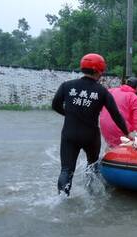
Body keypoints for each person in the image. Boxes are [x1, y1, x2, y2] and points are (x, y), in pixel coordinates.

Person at [52, 53, 131, 196]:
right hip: (91, 136)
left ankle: (62, 201)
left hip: (69, 134)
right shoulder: (102, 92)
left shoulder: (67, 86)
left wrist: (69, 115)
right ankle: (92, 195)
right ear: (99, 71)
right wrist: (127, 133)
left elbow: (55, 105)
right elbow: (115, 115)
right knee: (92, 167)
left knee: (66, 170)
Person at [100, 76, 137, 148]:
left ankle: (108, 154)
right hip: (120, 128)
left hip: (104, 127)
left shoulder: (111, 91)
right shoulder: (134, 98)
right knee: (128, 147)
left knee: (111, 146)